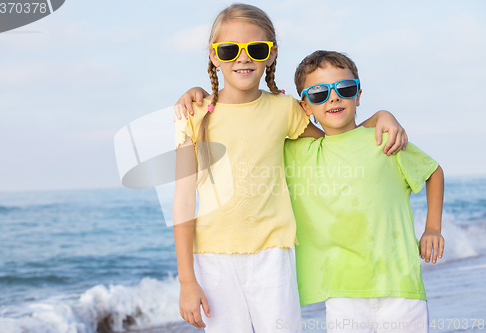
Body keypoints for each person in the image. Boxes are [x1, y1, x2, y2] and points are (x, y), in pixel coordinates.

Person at [173, 4, 407, 332]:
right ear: (214, 56)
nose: (243, 58)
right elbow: (182, 203)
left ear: (271, 54)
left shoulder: (284, 109)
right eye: (229, 50)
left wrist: (381, 116)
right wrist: (187, 280)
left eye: (256, 49)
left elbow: (335, 141)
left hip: (273, 256)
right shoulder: (194, 115)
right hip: (212, 261)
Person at [283, 50, 445, 332]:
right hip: (341, 291)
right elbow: (261, 118)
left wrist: (432, 228)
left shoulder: (384, 139)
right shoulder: (298, 152)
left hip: (400, 287)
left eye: (345, 88)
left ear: (358, 95)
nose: (333, 97)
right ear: (305, 105)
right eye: (319, 93)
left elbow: (432, 172)